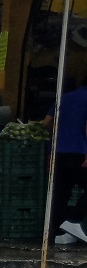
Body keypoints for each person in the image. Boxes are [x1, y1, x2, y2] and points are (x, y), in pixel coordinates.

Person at [45, 78, 87, 245]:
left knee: (61, 193)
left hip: (59, 151)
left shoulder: (64, 98)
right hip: (79, 152)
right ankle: (74, 219)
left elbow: (46, 123)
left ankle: (58, 232)